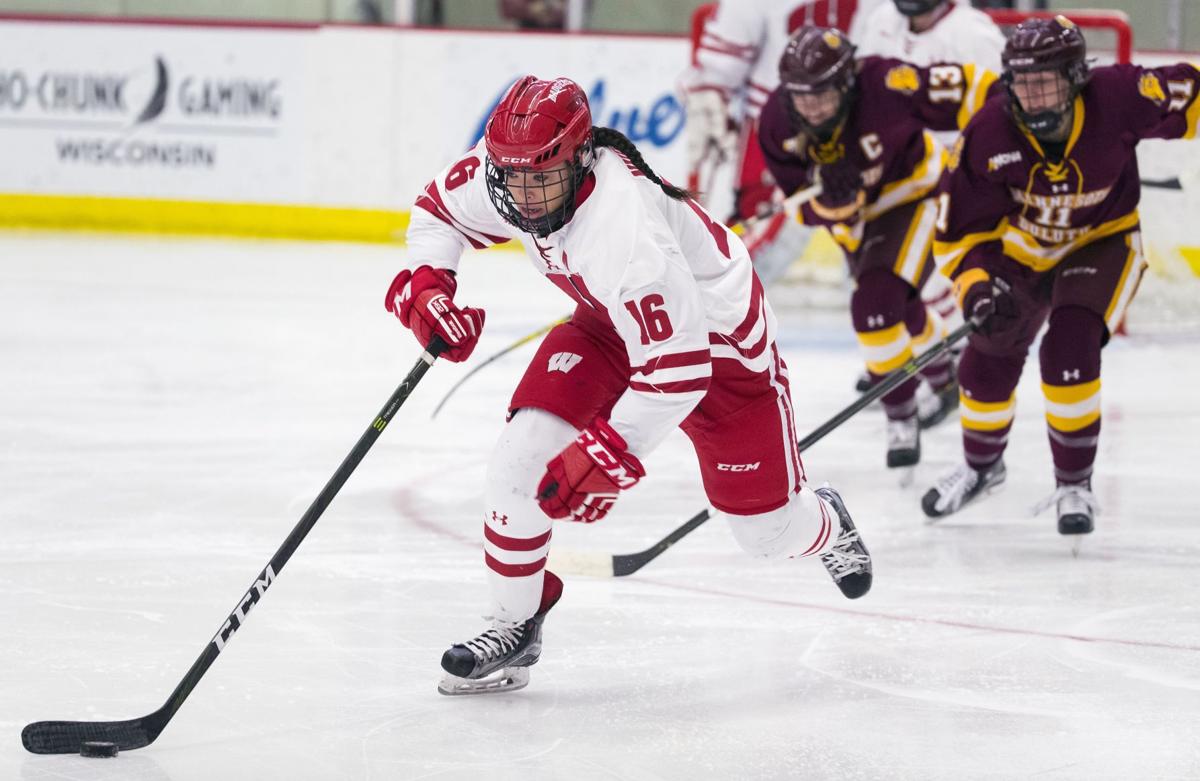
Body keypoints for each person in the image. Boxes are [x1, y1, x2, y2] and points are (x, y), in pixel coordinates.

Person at [387, 75, 873, 695]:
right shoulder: (512, 168)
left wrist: (611, 453)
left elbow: (680, 368)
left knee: (766, 535)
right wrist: (430, 286)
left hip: (720, 353)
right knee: (517, 464)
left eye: (543, 179)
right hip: (608, 325)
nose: (528, 198)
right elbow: (436, 212)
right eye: (514, 178)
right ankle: (513, 625)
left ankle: (824, 522)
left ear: (581, 157)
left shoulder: (623, 225)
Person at [921, 16, 1200, 535]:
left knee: (1068, 347)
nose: (1033, 95)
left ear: (1076, 77)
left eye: (1046, 81)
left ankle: (1074, 484)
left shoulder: (1121, 96)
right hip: (1022, 249)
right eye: (1023, 83)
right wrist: (977, 287)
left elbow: (1193, 93)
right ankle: (982, 469)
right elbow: (960, 234)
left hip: (1103, 240)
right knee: (987, 355)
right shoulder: (986, 133)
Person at [757, 25, 996, 469]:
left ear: (848, 82)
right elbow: (798, 207)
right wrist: (833, 202)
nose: (809, 105)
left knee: (874, 307)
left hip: (915, 194)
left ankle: (901, 415)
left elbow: (973, 88)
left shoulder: (886, 83)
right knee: (898, 309)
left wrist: (1014, 134)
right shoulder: (776, 121)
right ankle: (943, 374)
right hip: (855, 222)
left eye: (822, 93)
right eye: (799, 94)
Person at [680, 0, 880, 285]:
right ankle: (713, 318)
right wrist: (710, 97)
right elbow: (719, 69)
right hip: (777, 130)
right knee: (753, 255)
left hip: (861, 127)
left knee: (880, 253)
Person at [855, 0, 1005, 339]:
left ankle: (954, 348)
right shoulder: (881, 21)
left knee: (937, 272)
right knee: (879, 275)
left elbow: (1003, 112)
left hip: (957, 178)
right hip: (894, 177)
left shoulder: (974, 34)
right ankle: (907, 347)